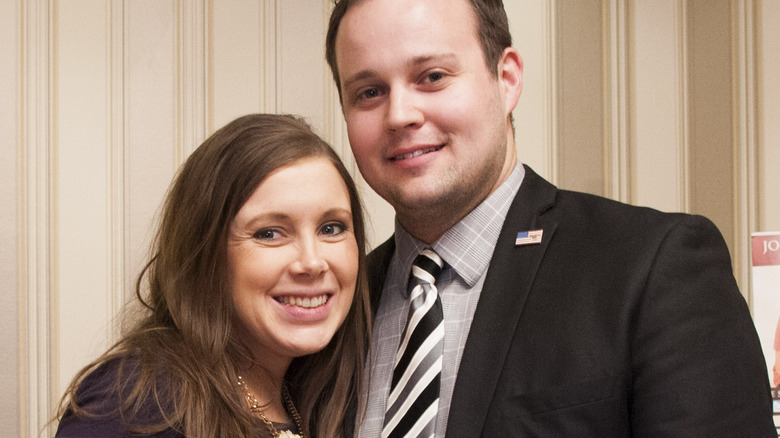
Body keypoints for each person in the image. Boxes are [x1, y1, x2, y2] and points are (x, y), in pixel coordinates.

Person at [325, 0, 775, 436]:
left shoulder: (653, 266)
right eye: (369, 92)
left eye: (433, 77)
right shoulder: (336, 307)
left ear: (506, 79)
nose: (400, 114)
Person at [54, 113, 371, 437]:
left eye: (331, 228)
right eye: (269, 233)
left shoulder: (315, 400)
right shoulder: (136, 404)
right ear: (206, 253)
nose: (312, 261)